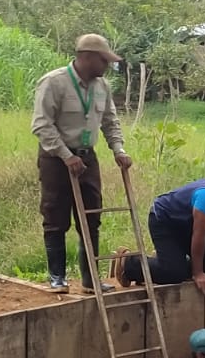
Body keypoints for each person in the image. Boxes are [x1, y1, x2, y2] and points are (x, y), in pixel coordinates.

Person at [31, 33, 133, 294]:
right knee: (55, 217)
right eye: (103, 60)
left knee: (91, 217)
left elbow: (110, 121)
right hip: (57, 160)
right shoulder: (54, 83)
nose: (106, 66)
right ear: (86, 58)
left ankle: (90, 280)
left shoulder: (103, 87)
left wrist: (118, 150)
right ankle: (57, 278)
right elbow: (42, 125)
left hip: (88, 157)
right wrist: (67, 156)